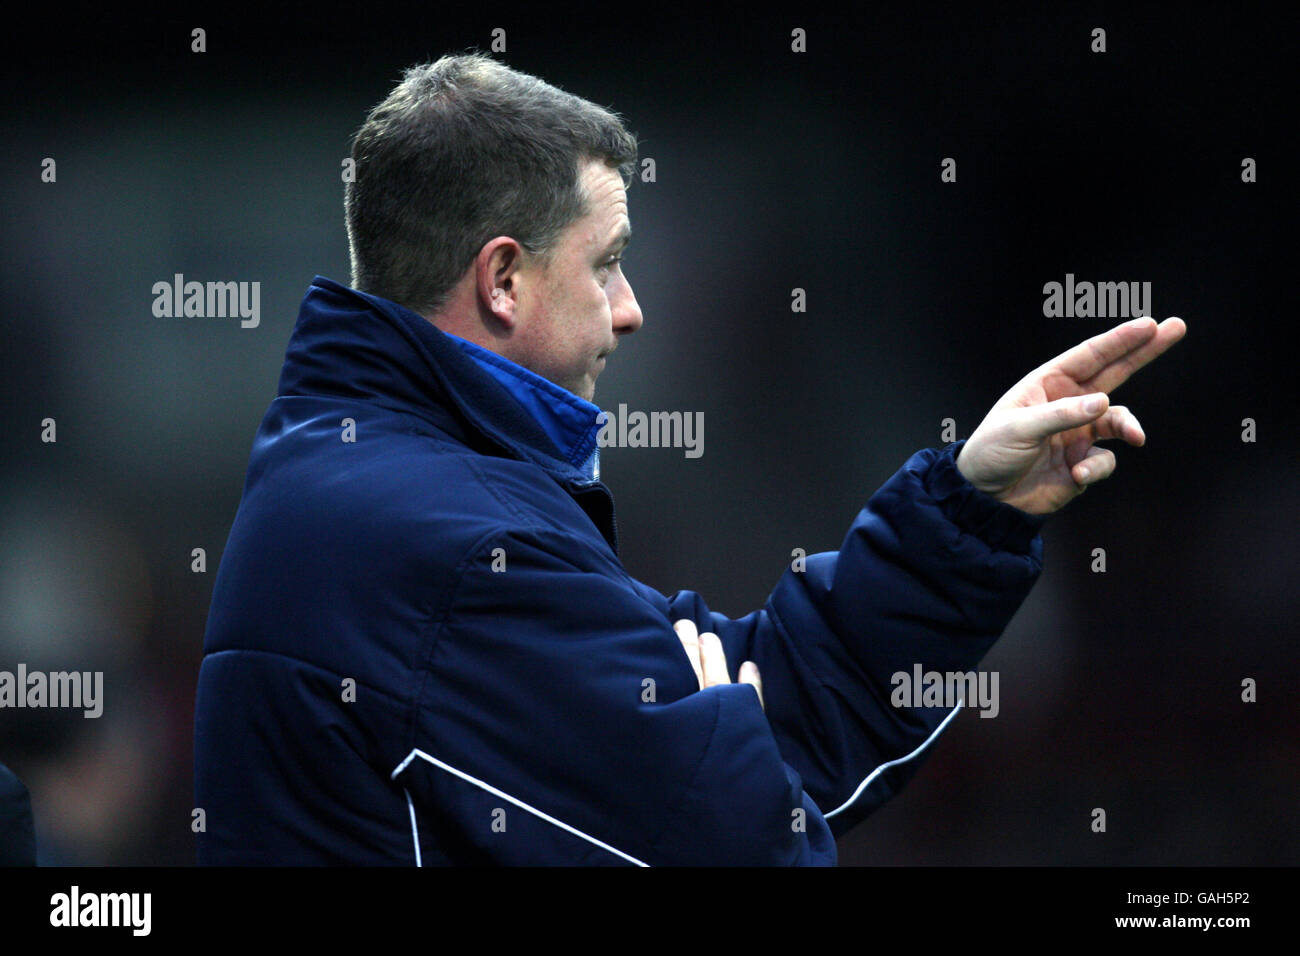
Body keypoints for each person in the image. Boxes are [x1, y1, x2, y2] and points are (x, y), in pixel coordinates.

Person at [193, 52, 1185, 865]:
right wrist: (721, 761)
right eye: (609, 259)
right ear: (502, 278)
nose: (630, 308)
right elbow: (732, 839)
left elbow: (760, 707)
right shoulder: (445, 549)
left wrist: (968, 509)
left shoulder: (379, 481)